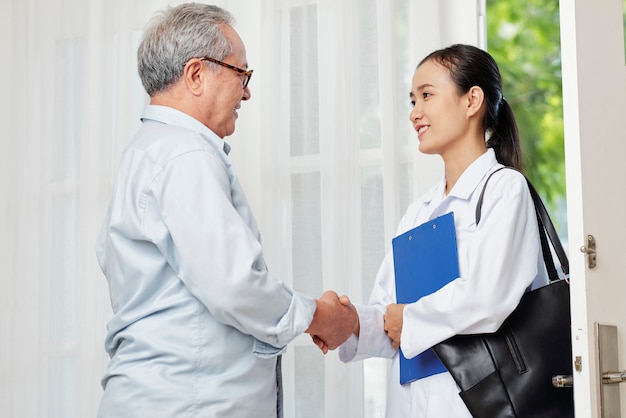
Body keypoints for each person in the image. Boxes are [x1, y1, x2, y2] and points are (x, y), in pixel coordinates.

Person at [95, 4, 356, 417]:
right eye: (241, 74)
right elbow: (235, 286)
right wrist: (320, 317)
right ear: (197, 74)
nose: (247, 92)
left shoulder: (150, 150)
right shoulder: (184, 154)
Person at [337, 44, 548, 417]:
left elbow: (489, 297)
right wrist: (347, 322)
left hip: (477, 404)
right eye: (412, 100)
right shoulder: (418, 212)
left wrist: (411, 319)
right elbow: (389, 316)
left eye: (427, 96)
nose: (414, 113)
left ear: (472, 101)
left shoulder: (504, 188)